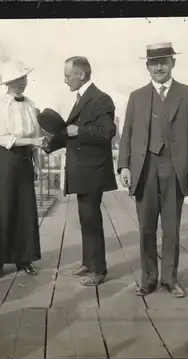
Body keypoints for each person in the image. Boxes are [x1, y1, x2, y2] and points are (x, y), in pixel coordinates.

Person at [117, 42, 188, 298]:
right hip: (144, 168)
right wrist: (124, 165)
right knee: (145, 227)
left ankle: (170, 278)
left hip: (176, 168)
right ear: (147, 66)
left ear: (173, 64)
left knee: (171, 227)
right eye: (154, 63)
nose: (159, 67)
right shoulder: (137, 96)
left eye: (164, 62)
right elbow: (127, 134)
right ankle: (148, 279)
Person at [42, 56, 118, 286]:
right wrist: (51, 144)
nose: (65, 80)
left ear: (81, 75)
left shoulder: (101, 99)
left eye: (68, 75)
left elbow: (106, 132)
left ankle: (99, 271)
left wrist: (80, 131)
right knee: (85, 218)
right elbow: (68, 132)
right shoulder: (83, 98)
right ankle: (89, 262)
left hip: (92, 170)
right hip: (84, 169)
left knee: (91, 218)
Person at [0, 60, 44, 279]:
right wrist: (34, 142)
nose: (22, 83)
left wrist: (37, 163)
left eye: (24, 78)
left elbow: (34, 134)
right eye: (17, 79)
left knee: (25, 208)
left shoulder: (30, 104)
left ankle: (23, 258)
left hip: (26, 158)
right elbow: (4, 138)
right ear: (8, 83)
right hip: (6, 159)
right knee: (3, 206)